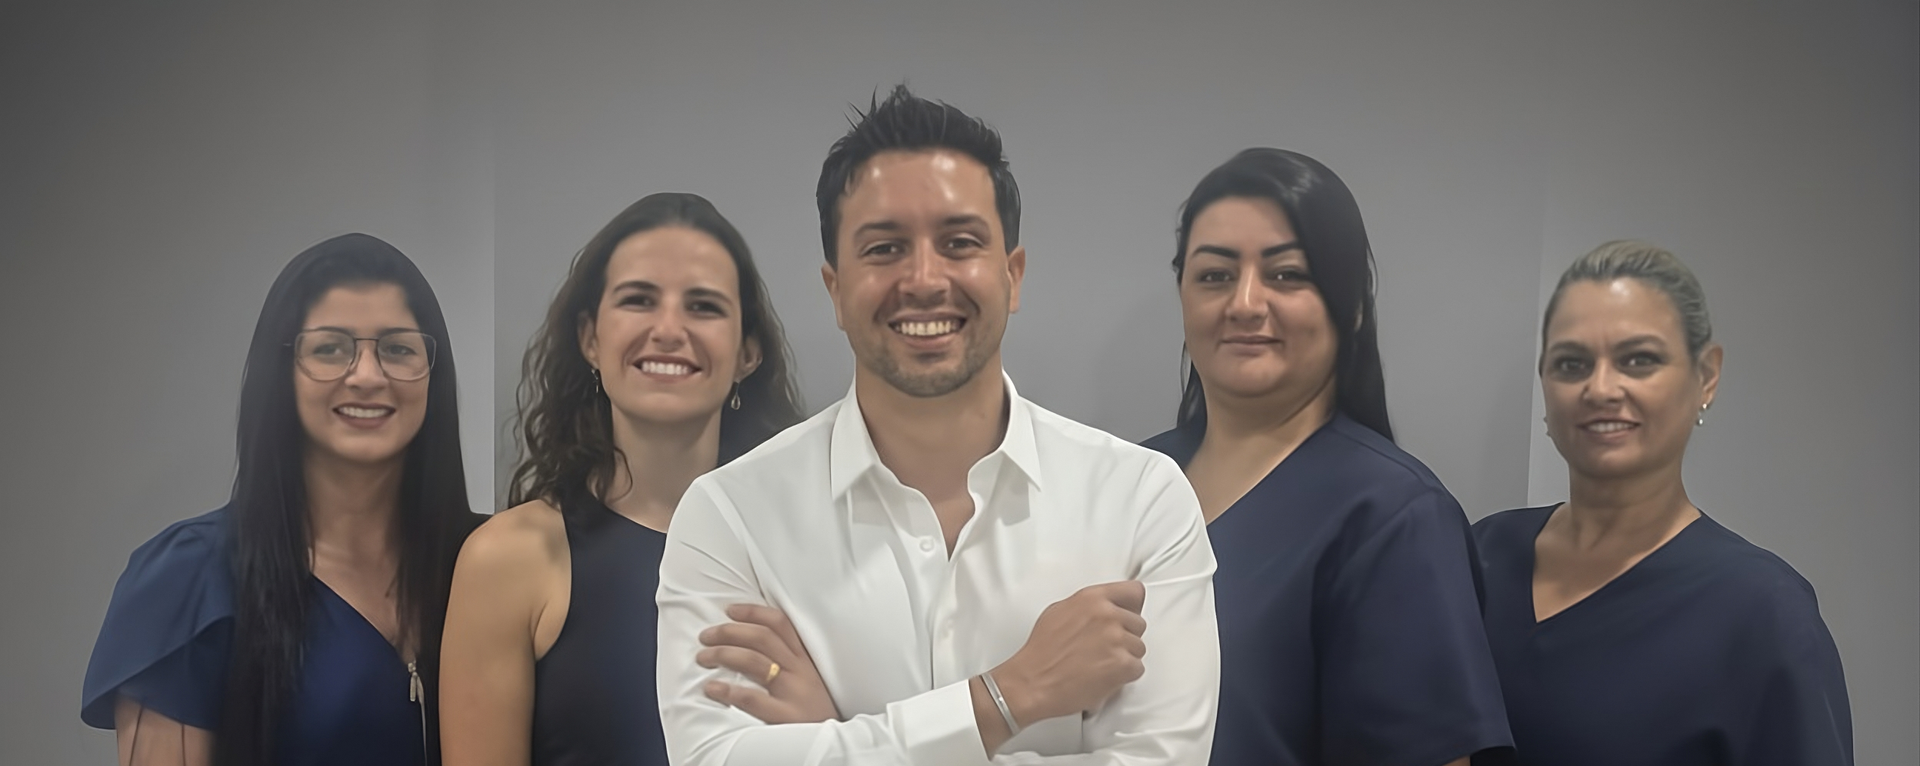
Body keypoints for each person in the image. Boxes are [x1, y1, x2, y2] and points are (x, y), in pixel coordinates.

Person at [654, 84, 1221, 765]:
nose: (924, 279)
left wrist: (840, 739)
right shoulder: (729, 518)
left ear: (1012, 276)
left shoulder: (1142, 501)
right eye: (884, 248)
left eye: (959, 242)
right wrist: (1008, 696)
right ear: (836, 291)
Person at [1139, 148, 1511, 766]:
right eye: (1215, 275)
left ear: (1352, 306)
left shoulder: (1395, 518)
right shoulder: (1131, 479)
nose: (1245, 303)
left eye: (1287, 275)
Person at [81, 233, 481, 766]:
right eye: (330, 348)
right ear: (282, 372)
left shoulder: (491, 562)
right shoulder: (191, 579)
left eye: (397, 348)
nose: (367, 376)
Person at [438, 192, 805, 766]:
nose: (668, 329)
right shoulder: (507, 560)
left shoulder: (814, 548)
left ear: (747, 353)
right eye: (638, 300)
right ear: (591, 339)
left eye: (703, 306)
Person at [1474, 240, 1852, 765]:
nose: (1601, 388)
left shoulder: (1763, 613)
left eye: (1639, 360)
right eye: (1571, 363)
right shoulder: (1481, 555)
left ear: (1706, 377)